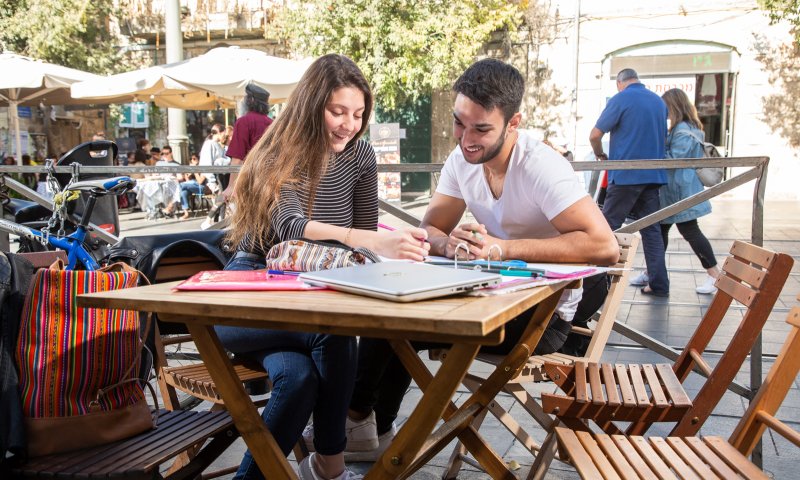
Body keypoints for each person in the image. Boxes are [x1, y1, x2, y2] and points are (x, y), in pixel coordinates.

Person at [302, 58, 619, 461]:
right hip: (492, 296)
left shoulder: (541, 167)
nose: (466, 138)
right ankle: (367, 425)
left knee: (402, 319)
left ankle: (359, 421)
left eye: (481, 129)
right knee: (395, 309)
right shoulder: (462, 161)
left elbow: (604, 245)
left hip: (544, 317)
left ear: (513, 123)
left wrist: (501, 248)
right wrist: (450, 245)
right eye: (459, 123)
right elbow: (430, 230)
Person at [216, 53, 430, 480]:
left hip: (311, 287)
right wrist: (370, 240)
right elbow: (291, 225)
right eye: (337, 111)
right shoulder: (280, 149)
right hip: (248, 287)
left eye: (358, 113)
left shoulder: (361, 156)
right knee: (334, 331)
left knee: (298, 382)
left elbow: (365, 240)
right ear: (313, 105)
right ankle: (329, 468)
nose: (348, 124)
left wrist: (396, 248)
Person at [629, 88, 720, 294]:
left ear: (674, 106)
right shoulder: (684, 128)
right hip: (677, 190)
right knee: (661, 231)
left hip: (681, 191)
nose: (664, 112)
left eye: (666, 107)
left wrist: (654, 151)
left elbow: (674, 160)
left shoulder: (683, 130)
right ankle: (652, 273)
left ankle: (715, 275)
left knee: (689, 231)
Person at [590, 68, 670, 297]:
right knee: (651, 230)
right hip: (653, 175)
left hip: (625, 174)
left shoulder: (620, 99)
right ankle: (659, 283)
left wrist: (600, 154)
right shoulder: (658, 102)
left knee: (606, 227)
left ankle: (592, 281)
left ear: (619, 83)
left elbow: (595, 135)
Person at [222, 83, 273, 201]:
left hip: (249, 182)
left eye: (245, 97)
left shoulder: (244, 121)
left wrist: (231, 187)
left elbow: (237, 158)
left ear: (251, 100)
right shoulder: (273, 123)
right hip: (269, 183)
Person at [177, 154, 208, 220]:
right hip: (191, 187)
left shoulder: (203, 168)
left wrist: (195, 171)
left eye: (194, 159)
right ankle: (186, 213)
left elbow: (200, 182)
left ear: (198, 160)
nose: (192, 160)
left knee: (180, 185)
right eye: (191, 159)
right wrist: (188, 175)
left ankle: (171, 204)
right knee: (183, 192)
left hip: (202, 187)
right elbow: (188, 182)